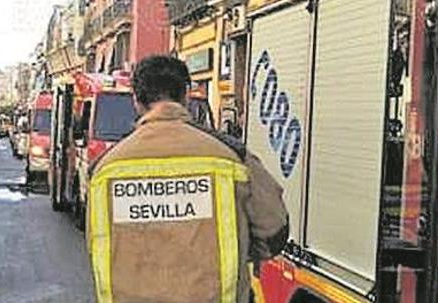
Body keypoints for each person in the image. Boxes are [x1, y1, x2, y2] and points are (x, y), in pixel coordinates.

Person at [86, 55, 289, 303]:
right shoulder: (231, 157)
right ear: (186, 96)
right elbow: (274, 230)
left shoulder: (105, 170)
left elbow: (96, 243)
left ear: (136, 101)